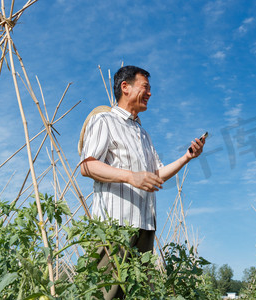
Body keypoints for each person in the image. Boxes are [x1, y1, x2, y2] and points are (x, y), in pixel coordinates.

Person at [79, 65, 205, 299]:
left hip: (145, 226)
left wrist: (187, 156)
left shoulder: (142, 133)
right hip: (115, 227)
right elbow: (87, 165)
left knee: (136, 294)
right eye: (145, 87)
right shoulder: (104, 120)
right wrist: (130, 176)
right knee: (105, 294)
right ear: (125, 87)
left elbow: (156, 175)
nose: (149, 93)